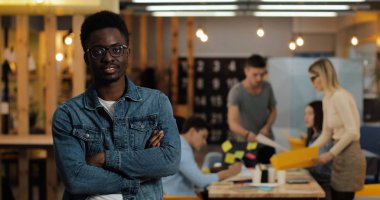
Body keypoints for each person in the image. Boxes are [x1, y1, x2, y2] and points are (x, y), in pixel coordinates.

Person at [52, 11, 180, 200]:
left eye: (116, 49)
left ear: (127, 53)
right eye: (98, 51)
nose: (108, 58)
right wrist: (139, 172)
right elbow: (75, 178)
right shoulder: (68, 114)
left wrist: (104, 159)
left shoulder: (156, 103)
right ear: (87, 58)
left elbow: (169, 161)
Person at [308, 58, 366, 200]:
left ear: (322, 76)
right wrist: (308, 151)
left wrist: (329, 155)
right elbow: (326, 133)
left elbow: (352, 132)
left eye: (312, 78)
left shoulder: (340, 96)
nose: (312, 83)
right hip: (338, 155)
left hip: (350, 156)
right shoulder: (327, 99)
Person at [162, 116, 242, 196]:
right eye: (203, 137)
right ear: (192, 131)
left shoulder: (179, 145)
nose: (205, 142)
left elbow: (196, 180)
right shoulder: (181, 149)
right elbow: (201, 181)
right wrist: (229, 172)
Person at [227, 54, 277, 165]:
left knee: (269, 175)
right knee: (245, 177)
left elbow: (273, 110)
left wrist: (267, 127)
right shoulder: (237, 91)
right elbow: (232, 122)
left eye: (262, 74)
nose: (259, 78)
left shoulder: (267, 87)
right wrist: (246, 134)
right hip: (244, 143)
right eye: (255, 75)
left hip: (266, 142)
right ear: (246, 71)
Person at [304, 101, 332, 200]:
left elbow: (319, 167)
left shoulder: (325, 138)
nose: (306, 117)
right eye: (305, 114)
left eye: (310, 113)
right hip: (314, 182)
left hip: (323, 186)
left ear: (320, 114)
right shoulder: (312, 136)